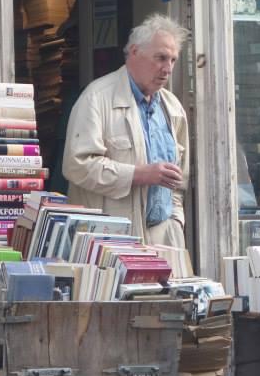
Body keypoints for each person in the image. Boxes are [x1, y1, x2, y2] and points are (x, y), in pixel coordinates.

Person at [62, 13, 190, 248]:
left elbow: (179, 180)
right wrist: (139, 174)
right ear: (134, 52)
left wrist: (176, 221)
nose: (168, 68)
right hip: (111, 241)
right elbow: (76, 166)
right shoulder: (96, 98)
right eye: (161, 58)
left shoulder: (172, 107)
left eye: (173, 60)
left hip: (165, 236)